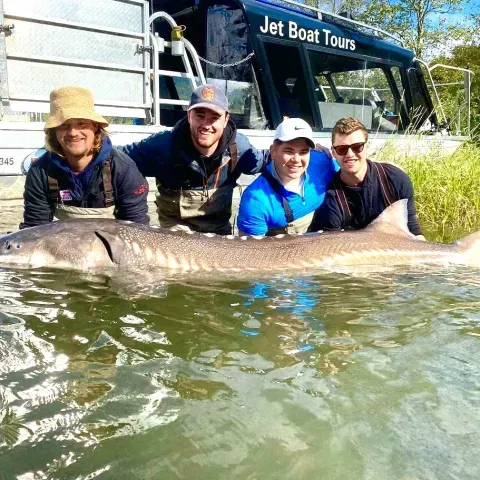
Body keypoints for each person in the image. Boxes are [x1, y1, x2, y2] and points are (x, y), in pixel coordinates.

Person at [119, 84, 269, 235]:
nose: (206, 125)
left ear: (225, 120)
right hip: (174, 239)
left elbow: (268, 160)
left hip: (220, 238)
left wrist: (288, 146)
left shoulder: (239, 149)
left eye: (214, 118)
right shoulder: (162, 146)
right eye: (200, 115)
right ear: (189, 116)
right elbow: (118, 159)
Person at [20, 86, 149, 229]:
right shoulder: (40, 171)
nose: (73, 132)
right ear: (54, 131)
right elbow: (35, 228)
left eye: (81, 124)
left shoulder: (123, 169)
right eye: (64, 125)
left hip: (114, 249)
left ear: (95, 127)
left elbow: (137, 229)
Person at [309, 117, 424, 238]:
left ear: (367, 147)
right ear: (333, 152)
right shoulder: (330, 196)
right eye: (342, 149)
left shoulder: (395, 179)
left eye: (357, 147)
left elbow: (412, 228)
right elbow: (332, 243)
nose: (350, 154)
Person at [237, 118, 338, 236]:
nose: (296, 159)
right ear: (273, 151)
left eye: (303, 152)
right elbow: (250, 251)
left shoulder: (322, 162)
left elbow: (352, 174)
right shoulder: (255, 200)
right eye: (289, 151)